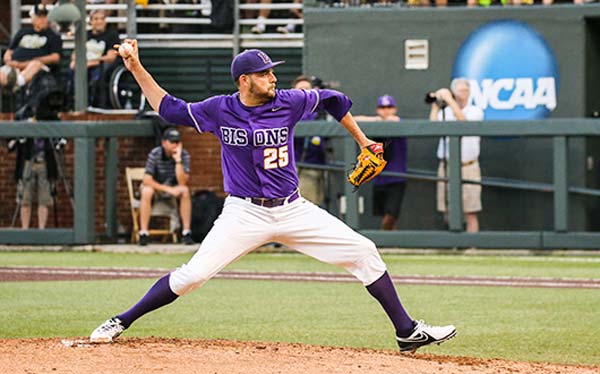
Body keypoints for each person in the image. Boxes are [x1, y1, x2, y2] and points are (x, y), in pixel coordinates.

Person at [90, 45, 456, 353]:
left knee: (364, 251)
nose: (273, 78)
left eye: (272, 72)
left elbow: (334, 99)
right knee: (193, 276)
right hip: (244, 212)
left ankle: (406, 332)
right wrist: (135, 66)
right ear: (244, 80)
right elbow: (168, 108)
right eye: (264, 74)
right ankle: (121, 320)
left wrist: (363, 142)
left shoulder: (289, 102)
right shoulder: (220, 109)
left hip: (293, 208)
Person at [429, 78, 484, 233]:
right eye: (460, 90)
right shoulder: (445, 112)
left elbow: (464, 124)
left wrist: (449, 100)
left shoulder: (475, 110)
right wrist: (436, 104)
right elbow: (431, 127)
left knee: (470, 210)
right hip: (447, 165)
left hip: (468, 166)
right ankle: (452, 243)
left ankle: (472, 245)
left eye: (466, 90)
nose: (463, 94)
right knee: (447, 209)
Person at [355, 95, 407, 230]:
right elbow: (355, 120)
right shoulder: (375, 123)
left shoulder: (399, 123)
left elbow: (395, 121)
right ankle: (392, 243)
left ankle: (385, 241)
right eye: (382, 108)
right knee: (384, 214)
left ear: (395, 109)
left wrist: (386, 120)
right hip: (379, 178)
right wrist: (377, 120)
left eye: (389, 107)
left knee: (391, 215)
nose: (386, 111)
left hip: (396, 177)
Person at [139, 127, 194, 246]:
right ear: (164, 142)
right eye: (172, 142)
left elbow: (182, 182)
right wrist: (168, 189)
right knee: (146, 191)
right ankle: (143, 233)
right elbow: (147, 180)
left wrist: (178, 161)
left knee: (185, 191)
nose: (175, 145)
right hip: (157, 187)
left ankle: (186, 232)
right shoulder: (155, 153)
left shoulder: (183, 155)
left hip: (173, 188)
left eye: (177, 142)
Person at [0, 4, 62, 93]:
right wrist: (9, 61)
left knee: (35, 64)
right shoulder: (23, 32)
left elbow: (55, 57)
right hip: (14, 66)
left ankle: (16, 84)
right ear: (32, 19)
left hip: (37, 68)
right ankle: (10, 89)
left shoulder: (53, 36)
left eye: (45, 17)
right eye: (39, 17)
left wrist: (28, 62)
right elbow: (9, 51)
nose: (42, 20)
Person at [68, 9, 119, 108]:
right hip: (83, 64)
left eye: (102, 19)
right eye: (96, 19)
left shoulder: (112, 35)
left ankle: (94, 105)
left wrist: (92, 62)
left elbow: (111, 57)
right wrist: (75, 61)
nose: (99, 21)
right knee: (71, 69)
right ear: (91, 21)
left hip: (100, 66)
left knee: (96, 74)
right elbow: (75, 53)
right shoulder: (85, 34)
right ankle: (72, 104)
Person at [292, 75, 327, 206]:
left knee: (319, 204)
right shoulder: (291, 111)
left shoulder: (319, 111)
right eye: (300, 90)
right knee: (306, 205)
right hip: (302, 167)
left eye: (307, 89)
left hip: (321, 166)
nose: (304, 93)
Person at [8, 138, 58, 229]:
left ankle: (41, 230)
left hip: (45, 162)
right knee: (25, 200)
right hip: (27, 161)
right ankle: (25, 229)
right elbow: (11, 140)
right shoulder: (22, 122)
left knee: (44, 200)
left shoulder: (48, 122)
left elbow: (58, 137)